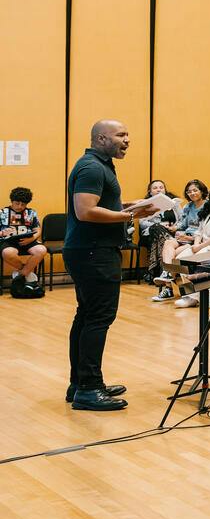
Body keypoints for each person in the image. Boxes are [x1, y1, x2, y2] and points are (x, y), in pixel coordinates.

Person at [64, 120, 160, 410]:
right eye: (121, 135)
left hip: (90, 251)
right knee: (98, 318)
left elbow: (103, 203)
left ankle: (81, 382)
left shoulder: (99, 165)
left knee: (87, 316)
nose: (128, 140)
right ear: (102, 138)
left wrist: (134, 206)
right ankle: (89, 390)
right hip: (94, 252)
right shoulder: (92, 167)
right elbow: (86, 211)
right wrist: (131, 216)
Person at [2, 186, 46, 295]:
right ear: (12, 201)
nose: (20, 206)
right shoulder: (2, 212)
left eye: (23, 204)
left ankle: (21, 275)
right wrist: (2, 233)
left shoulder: (31, 213)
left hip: (28, 240)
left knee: (41, 250)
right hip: (8, 241)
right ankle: (27, 273)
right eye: (17, 203)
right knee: (8, 253)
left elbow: (37, 229)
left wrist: (32, 238)